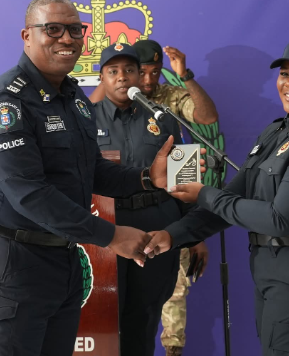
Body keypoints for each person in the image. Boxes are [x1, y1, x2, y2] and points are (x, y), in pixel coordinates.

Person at [0, 0, 202, 356]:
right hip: (10, 265)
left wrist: (147, 177)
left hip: (63, 260)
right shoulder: (6, 102)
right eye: (53, 29)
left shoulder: (74, 98)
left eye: (75, 30)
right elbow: (29, 193)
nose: (67, 38)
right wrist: (111, 236)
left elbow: (91, 170)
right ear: (27, 36)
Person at [146, 35, 289, 356]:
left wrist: (204, 194)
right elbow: (234, 196)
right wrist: (171, 235)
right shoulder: (277, 131)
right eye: (285, 73)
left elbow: (280, 219)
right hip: (273, 272)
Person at [93, 38, 217, 356]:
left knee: (145, 318)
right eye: (113, 71)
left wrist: (193, 234)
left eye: (129, 70)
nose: (122, 77)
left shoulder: (163, 118)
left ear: (140, 75)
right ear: (102, 77)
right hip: (106, 230)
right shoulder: (85, 120)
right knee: (103, 320)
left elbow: (182, 182)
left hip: (156, 227)